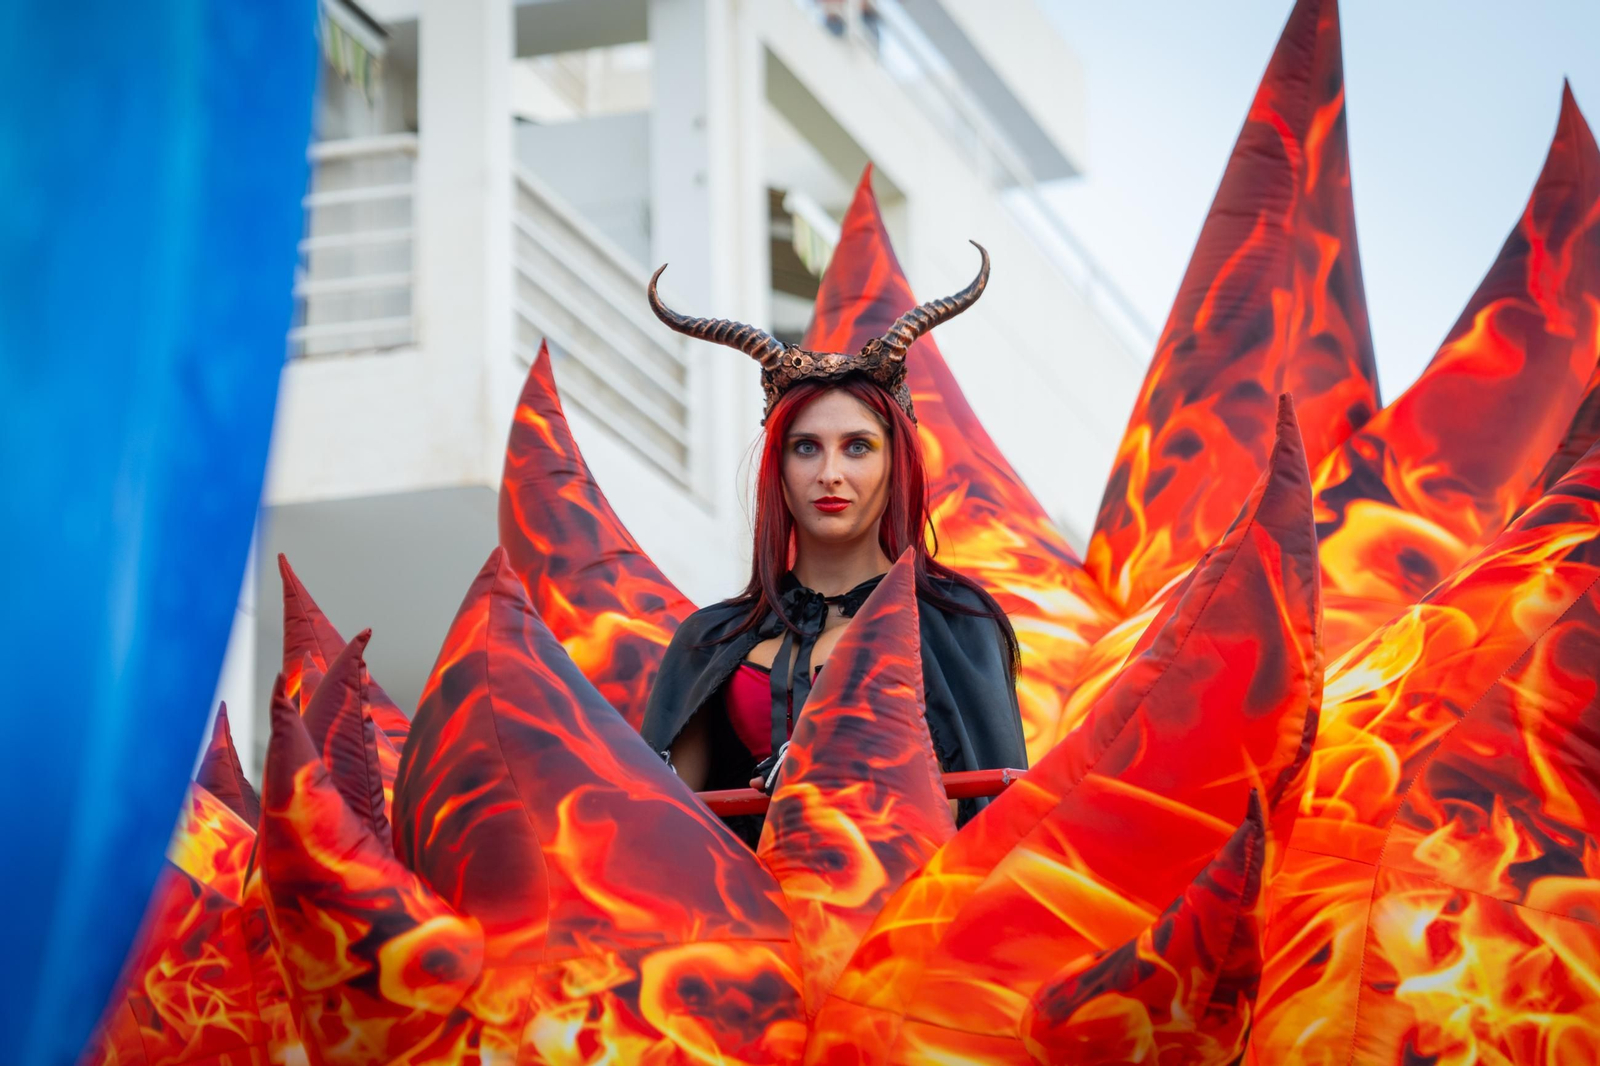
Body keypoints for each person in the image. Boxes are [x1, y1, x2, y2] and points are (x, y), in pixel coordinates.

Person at [639, 243, 1025, 845]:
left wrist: (838, 774)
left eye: (858, 447)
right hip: (746, 898)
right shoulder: (709, 639)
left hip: (905, 898)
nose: (830, 474)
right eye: (806, 447)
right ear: (778, 468)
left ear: (896, 464)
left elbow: (992, 825)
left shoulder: (959, 624)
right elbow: (663, 833)